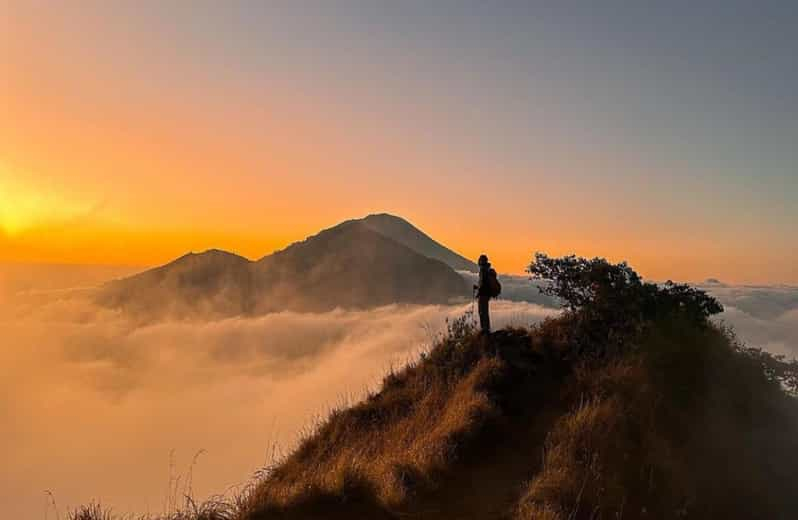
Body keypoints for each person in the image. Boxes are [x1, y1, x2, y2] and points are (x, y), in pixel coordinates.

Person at [474, 254, 493, 334]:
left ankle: (484, 329)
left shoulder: (483, 270)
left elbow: (482, 283)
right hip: (487, 295)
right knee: (485, 312)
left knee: (482, 312)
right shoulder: (487, 270)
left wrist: (478, 292)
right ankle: (486, 328)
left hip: (483, 295)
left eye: (480, 260)